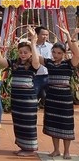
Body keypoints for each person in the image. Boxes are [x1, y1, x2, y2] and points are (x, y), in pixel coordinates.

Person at [0, 25, 40, 157]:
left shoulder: (33, 65)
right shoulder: (14, 63)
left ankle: (30, 149)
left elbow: (37, 61)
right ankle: (23, 146)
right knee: (18, 123)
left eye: (26, 52)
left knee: (28, 123)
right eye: (21, 52)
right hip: (16, 99)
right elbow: (1, 62)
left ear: (31, 53)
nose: (23, 54)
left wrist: (33, 42)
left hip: (28, 100)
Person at [41, 27, 79, 159]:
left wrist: (70, 36)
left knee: (66, 124)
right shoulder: (49, 63)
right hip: (52, 97)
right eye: (54, 52)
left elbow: (77, 54)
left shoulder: (69, 64)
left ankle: (67, 151)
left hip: (64, 99)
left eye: (58, 53)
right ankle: (56, 150)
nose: (55, 55)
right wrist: (34, 40)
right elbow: (34, 56)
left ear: (63, 53)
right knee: (53, 123)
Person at [34, 26, 53, 106]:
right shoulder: (31, 46)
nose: (45, 36)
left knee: (48, 99)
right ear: (37, 35)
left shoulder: (50, 46)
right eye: (43, 34)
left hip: (47, 76)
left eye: (46, 35)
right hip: (35, 77)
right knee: (33, 98)